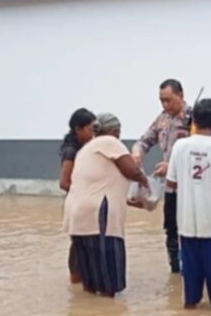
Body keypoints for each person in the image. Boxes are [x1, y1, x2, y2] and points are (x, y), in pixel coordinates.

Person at [64, 113, 148, 297]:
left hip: (77, 215)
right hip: (98, 216)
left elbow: (99, 182)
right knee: (108, 282)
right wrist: (147, 183)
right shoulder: (110, 142)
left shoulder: (86, 149)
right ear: (115, 131)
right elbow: (131, 170)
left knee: (90, 283)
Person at [167, 99, 211, 310]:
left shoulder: (180, 146)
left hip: (187, 225)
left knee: (189, 300)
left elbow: (172, 182)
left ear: (194, 120)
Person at [132, 79, 192, 273]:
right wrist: (137, 152)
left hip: (191, 187)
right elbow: (145, 140)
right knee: (171, 229)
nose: (165, 105)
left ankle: (192, 270)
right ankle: (175, 272)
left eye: (168, 100)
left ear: (181, 95)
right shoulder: (162, 118)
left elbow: (199, 152)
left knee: (191, 231)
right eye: (161, 101)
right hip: (171, 188)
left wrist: (172, 165)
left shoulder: (194, 118)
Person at [59, 107, 97, 284]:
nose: (93, 134)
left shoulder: (85, 148)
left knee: (86, 245)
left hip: (83, 202)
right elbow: (64, 182)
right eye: (90, 129)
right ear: (78, 130)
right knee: (79, 246)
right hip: (77, 204)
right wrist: (85, 193)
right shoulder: (71, 151)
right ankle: (76, 281)